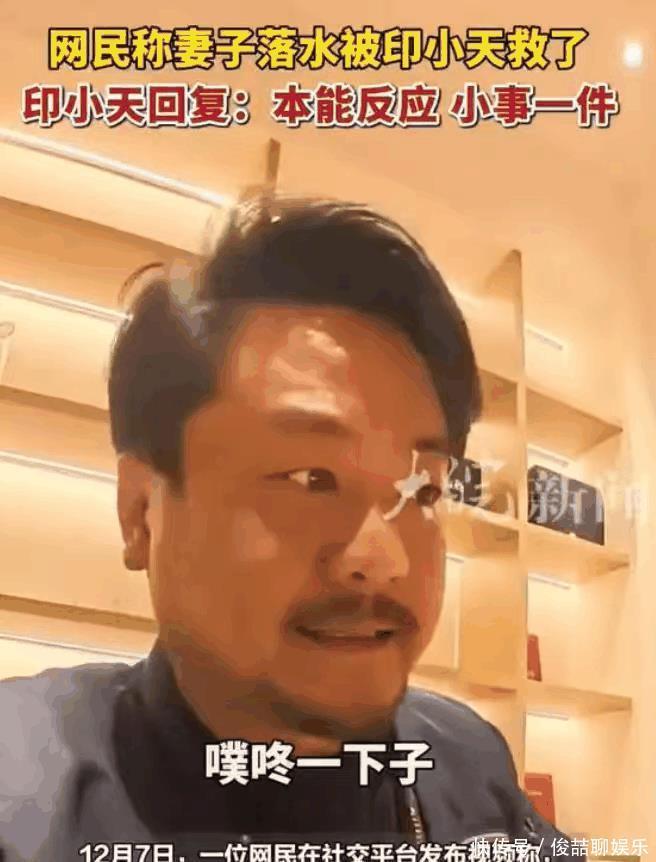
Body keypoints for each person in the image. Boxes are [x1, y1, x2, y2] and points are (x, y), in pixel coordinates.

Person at [0, 193, 573, 859]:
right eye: (310, 479)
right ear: (140, 512)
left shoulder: (466, 758)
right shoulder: (26, 791)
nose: (384, 558)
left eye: (422, 490)